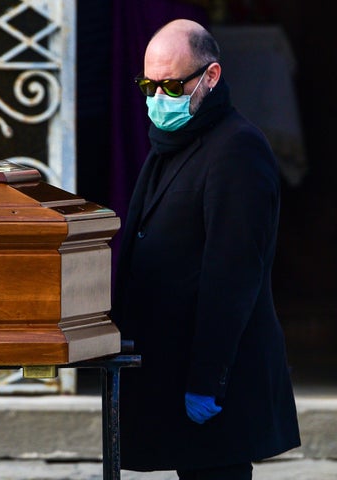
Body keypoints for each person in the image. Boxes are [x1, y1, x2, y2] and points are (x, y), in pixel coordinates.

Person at [110, 19, 301, 479]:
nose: (158, 99)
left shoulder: (237, 149)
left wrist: (206, 382)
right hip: (168, 366)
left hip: (214, 377)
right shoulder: (171, 143)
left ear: (210, 77)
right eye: (148, 85)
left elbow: (232, 275)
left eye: (172, 85)